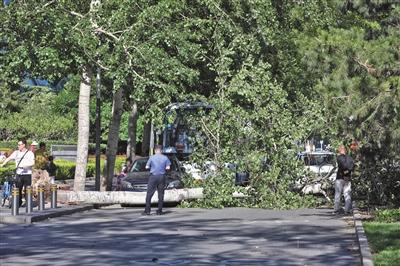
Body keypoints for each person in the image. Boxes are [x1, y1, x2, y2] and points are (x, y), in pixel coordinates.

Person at [0, 139, 35, 207]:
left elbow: (33, 163)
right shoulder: (16, 152)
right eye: (18, 144)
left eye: (19, 145)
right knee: (18, 189)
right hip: (19, 174)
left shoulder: (30, 153)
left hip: (27, 174)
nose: (18, 146)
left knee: (27, 189)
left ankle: (28, 204)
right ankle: (18, 203)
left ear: (23, 145)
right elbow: (9, 158)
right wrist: (3, 164)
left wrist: (24, 166)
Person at [143, 145, 171, 215]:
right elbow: (168, 168)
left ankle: (147, 211)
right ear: (161, 151)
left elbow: (146, 167)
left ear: (155, 151)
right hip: (162, 176)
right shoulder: (165, 158)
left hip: (153, 176)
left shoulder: (152, 157)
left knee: (149, 194)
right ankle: (159, 211)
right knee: (161, 194)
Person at [334, 145, 354, 215]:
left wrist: (344, 175)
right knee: (347, 194)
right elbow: (351, 168)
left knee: (338, 194)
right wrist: (347, 175)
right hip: (348, 179)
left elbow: (342, 166)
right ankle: (347, 210)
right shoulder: (350, 158)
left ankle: (336, 209)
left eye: (339, 149)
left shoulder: (339, 158)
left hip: (340, 178)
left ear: (340, 150)